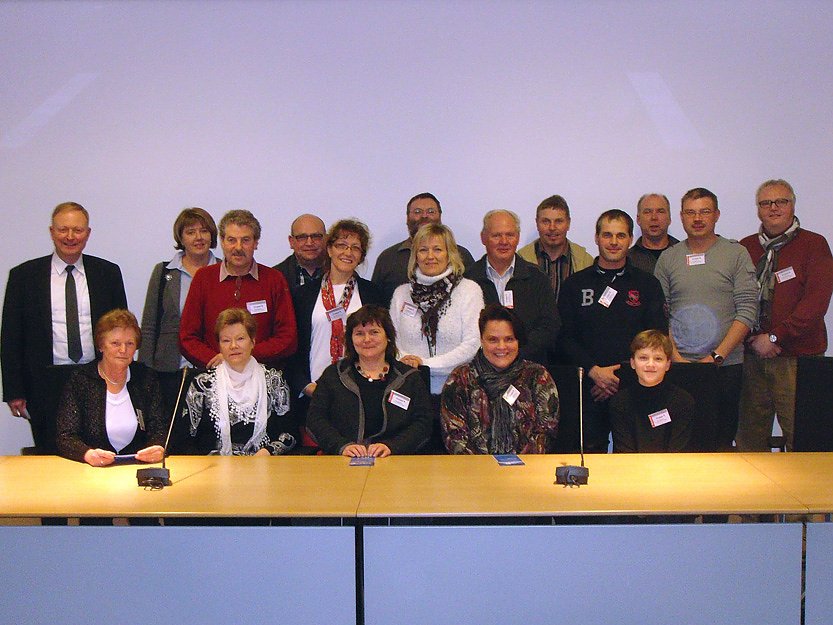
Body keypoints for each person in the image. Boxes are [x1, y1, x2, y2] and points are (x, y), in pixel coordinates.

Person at [2, 201, 127, 453]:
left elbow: (122, 331)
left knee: (98, 453)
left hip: (96, 378)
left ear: (88, 233)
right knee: (50, 452)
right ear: (51, 232)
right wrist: (14, 390)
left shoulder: (107, 273)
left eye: (78, 230)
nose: (70, 237)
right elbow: (11, 337)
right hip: (44, 382)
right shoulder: (24, 276)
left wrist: (122, 377)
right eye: (63, 229)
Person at [654, 187, 757, 450]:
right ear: (681, 217)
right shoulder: (669, 258)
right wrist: (674, 357)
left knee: (720, 443)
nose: (697, 218)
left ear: (717, 215)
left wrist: (717, 357)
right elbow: (660, 312)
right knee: (677, 443)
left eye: (704, 211)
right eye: (690, 212)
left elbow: (747, 310)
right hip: (678, 367)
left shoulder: (736, 254)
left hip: (724, 367)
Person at [557, 209, 668, 452]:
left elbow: (657, 337)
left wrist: (621, 378)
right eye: (607, 235)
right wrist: (595, 371)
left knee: (634, 460)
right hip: (587, 390)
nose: (614, 242)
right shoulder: (575, 285)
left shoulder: (647, 285)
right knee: (588, 458)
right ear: (596, 238)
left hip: (634, 388)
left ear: (630, 239)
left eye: (621, 235)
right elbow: (564, 339)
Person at [736, 179, 833, 451]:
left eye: (781, 201)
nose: (774, 208)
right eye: (766, 203)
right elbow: (738, 299)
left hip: (798, 359)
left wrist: (776, 336)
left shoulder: (814, 245)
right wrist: (755, 338)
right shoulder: (745, 247)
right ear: (758, 209)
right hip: (752, 358)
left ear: (793, 205)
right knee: (749, 439)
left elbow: (816, 302)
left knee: (802, 437)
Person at [288, 219, 385, 450]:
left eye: (355, 248)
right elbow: (293, 347)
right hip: (314, 393)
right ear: (329, 249)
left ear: (361, 256)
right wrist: (305, 386)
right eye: (342, 245)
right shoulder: (302, 295)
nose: (347, 252)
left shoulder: (374, 294)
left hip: (360, 394)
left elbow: (382, 345)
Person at [390, 223, 484, 451]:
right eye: (423, 250)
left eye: (437, 249)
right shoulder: (402, 294)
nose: (430, 256)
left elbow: (473, 344)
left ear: (450, 253)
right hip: (410, 395)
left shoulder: (469, 291)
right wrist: (408, 364)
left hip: (457, 395)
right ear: (415, 255)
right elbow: (390, 341)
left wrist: (425, 365)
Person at [306, 305, 433, 457]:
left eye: (374, 332)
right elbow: (315, 419)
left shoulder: (409, 377)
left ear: (388, 337)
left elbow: (423, 423)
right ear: (350, 339)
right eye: (359, 333)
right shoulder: (333, 375)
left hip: (396, 461)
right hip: (342, 461)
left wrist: (393, 447)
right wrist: (341, 446)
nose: (367, 339)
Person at [138, 207, 220, 439]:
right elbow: (150, 324)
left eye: (204, 231)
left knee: (208, 435)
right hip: (169, 370)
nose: (198, 237)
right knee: (171, 435)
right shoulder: (164, 272)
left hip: (211, 367)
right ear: (180, 237)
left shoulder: (224, 271)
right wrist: (145, 371)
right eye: (190, 232)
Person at [179, 209, 297, 369]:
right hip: (214, 377)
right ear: (222, 241)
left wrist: (245, 356)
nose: (238, 247)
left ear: (256, 243)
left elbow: (287, 337)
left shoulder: (273, 279)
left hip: (262, 376)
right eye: (231, 240)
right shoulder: (204, 278)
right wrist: (217, 361)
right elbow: (187, 337)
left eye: (246, 240)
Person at [441, 305, 559, 454]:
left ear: (518, 341)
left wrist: (516, 466)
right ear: (482, 340)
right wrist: (486, 470)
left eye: (509, 339)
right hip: (474, 471)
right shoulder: (460, 379)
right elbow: (454, 436)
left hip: (526, 470)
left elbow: (546, 430)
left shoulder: (537, 376)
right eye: (493, 340)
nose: (501, 347)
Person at [56, 309, 166, 466]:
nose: (123, 350)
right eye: (115, 343)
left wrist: (157, 448)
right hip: (91, 472)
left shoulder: (146, 378)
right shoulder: (81, 380)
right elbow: (65, 436)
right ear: (101, 345)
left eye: (130, 344)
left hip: (138, 469)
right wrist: (87, 454)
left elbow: (160, 428)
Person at [183, 308, 297, 455]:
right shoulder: (202, 384)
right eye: (226, 340)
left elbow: (290, 434)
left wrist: (268, 452)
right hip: (214, 471)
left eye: (240, 339)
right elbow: (185, 437)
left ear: (253, 341)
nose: (233, 346)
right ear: (219, 346)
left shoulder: (273, 379)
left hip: (264, 468)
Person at [465, 209, 560, 366]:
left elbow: (550, 326)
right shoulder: (468, 280)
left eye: (510, 235)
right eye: (496, 235)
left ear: (518, 238)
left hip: (529, 370)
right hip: (481, 372)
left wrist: (515, 352)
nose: (504, 241)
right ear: (483, 238)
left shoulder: (537, 278)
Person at [371, 192, 475, 304]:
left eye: (431, 211)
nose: (424, 216)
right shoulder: (388, 258)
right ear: (407, 218)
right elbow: (375, 307)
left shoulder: (461, 255)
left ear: (440, 216)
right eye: (417, 212)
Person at [610, 330, 695, 453]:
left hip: (672, 468)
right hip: (631, 468)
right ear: (633, 363)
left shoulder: (683, 401)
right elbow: (623, 451)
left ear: (667, 365)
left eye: (658, 359)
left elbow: (678, 452)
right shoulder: (619, 402)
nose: (650, 364)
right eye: (643, 358)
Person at [518, 194, 593, 301]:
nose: (552, 227)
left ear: (568, 223)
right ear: (537, 223)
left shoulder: (586, 262)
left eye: (558, 221)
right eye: (546, 221)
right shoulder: (520, 260)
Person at [628, 193, 679, 274]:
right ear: (638, 219)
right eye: (647, 212)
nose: (654, 217)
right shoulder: (627, 259)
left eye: (660, 211)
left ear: (669, 218)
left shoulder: (682, 254)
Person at [274, 213, 327, 290]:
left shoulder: (342, 272)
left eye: (316, 236)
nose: (309, 243)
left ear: (326, 239)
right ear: (291, 242)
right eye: (302, 237)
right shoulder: (276, 277)